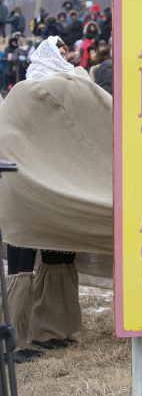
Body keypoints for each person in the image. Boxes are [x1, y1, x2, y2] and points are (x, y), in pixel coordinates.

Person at [5, 37, 82, 364]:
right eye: (61, 51)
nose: (66, 56)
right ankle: (14, 340)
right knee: (21, 264)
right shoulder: (27, 93)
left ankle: (51, 330)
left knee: (57, 257)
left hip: (58, 189)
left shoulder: (72, 89)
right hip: (26, 189)